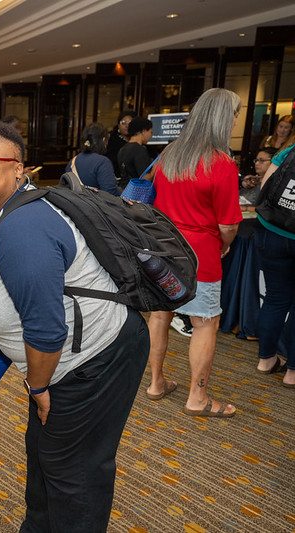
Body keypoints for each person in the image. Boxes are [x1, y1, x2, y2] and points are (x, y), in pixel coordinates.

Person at [0, 120, 149, 532]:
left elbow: (45, 329)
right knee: (46, 455)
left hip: (96, 360)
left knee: (75, 473)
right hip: (62, 364)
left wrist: (39, 387)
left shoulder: (22, 228)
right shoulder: (2, 213)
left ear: (19, 170)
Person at [146, 88, 243, 416]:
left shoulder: (170, 153)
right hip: (199, 254)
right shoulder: (222, 163)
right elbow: (228, 225)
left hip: (162, 250)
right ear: (220, 119)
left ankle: (156, 383)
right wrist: (225, 242)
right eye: (233, 115)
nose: (234, 122)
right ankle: (197, 398)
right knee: (205, 324)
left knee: (160, 315)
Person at [253, 142, 295, 387]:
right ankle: (292, 372)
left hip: (271, 231)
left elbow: (265, 186)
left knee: (275, 297)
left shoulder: (288, 151)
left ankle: (266, 359)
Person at [64, 122, 119, 195]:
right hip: (96, 205)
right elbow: (110, 193)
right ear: (103, 140)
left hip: (75, 204)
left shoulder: (72, 161)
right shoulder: (102, 162)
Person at [117, 116, 154, 190]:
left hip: (125, 191)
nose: (150, 136)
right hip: (136, 193)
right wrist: (156, 167)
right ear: (143, 132)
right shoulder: (139, 150)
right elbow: (144, 179)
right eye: (150, 132)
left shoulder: (123, 149)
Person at [106, 110, 136, 174]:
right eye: (123, 123)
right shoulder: (112, 140)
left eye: (130, 122)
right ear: (118, 125)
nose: (127, 126)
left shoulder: (139, 141)